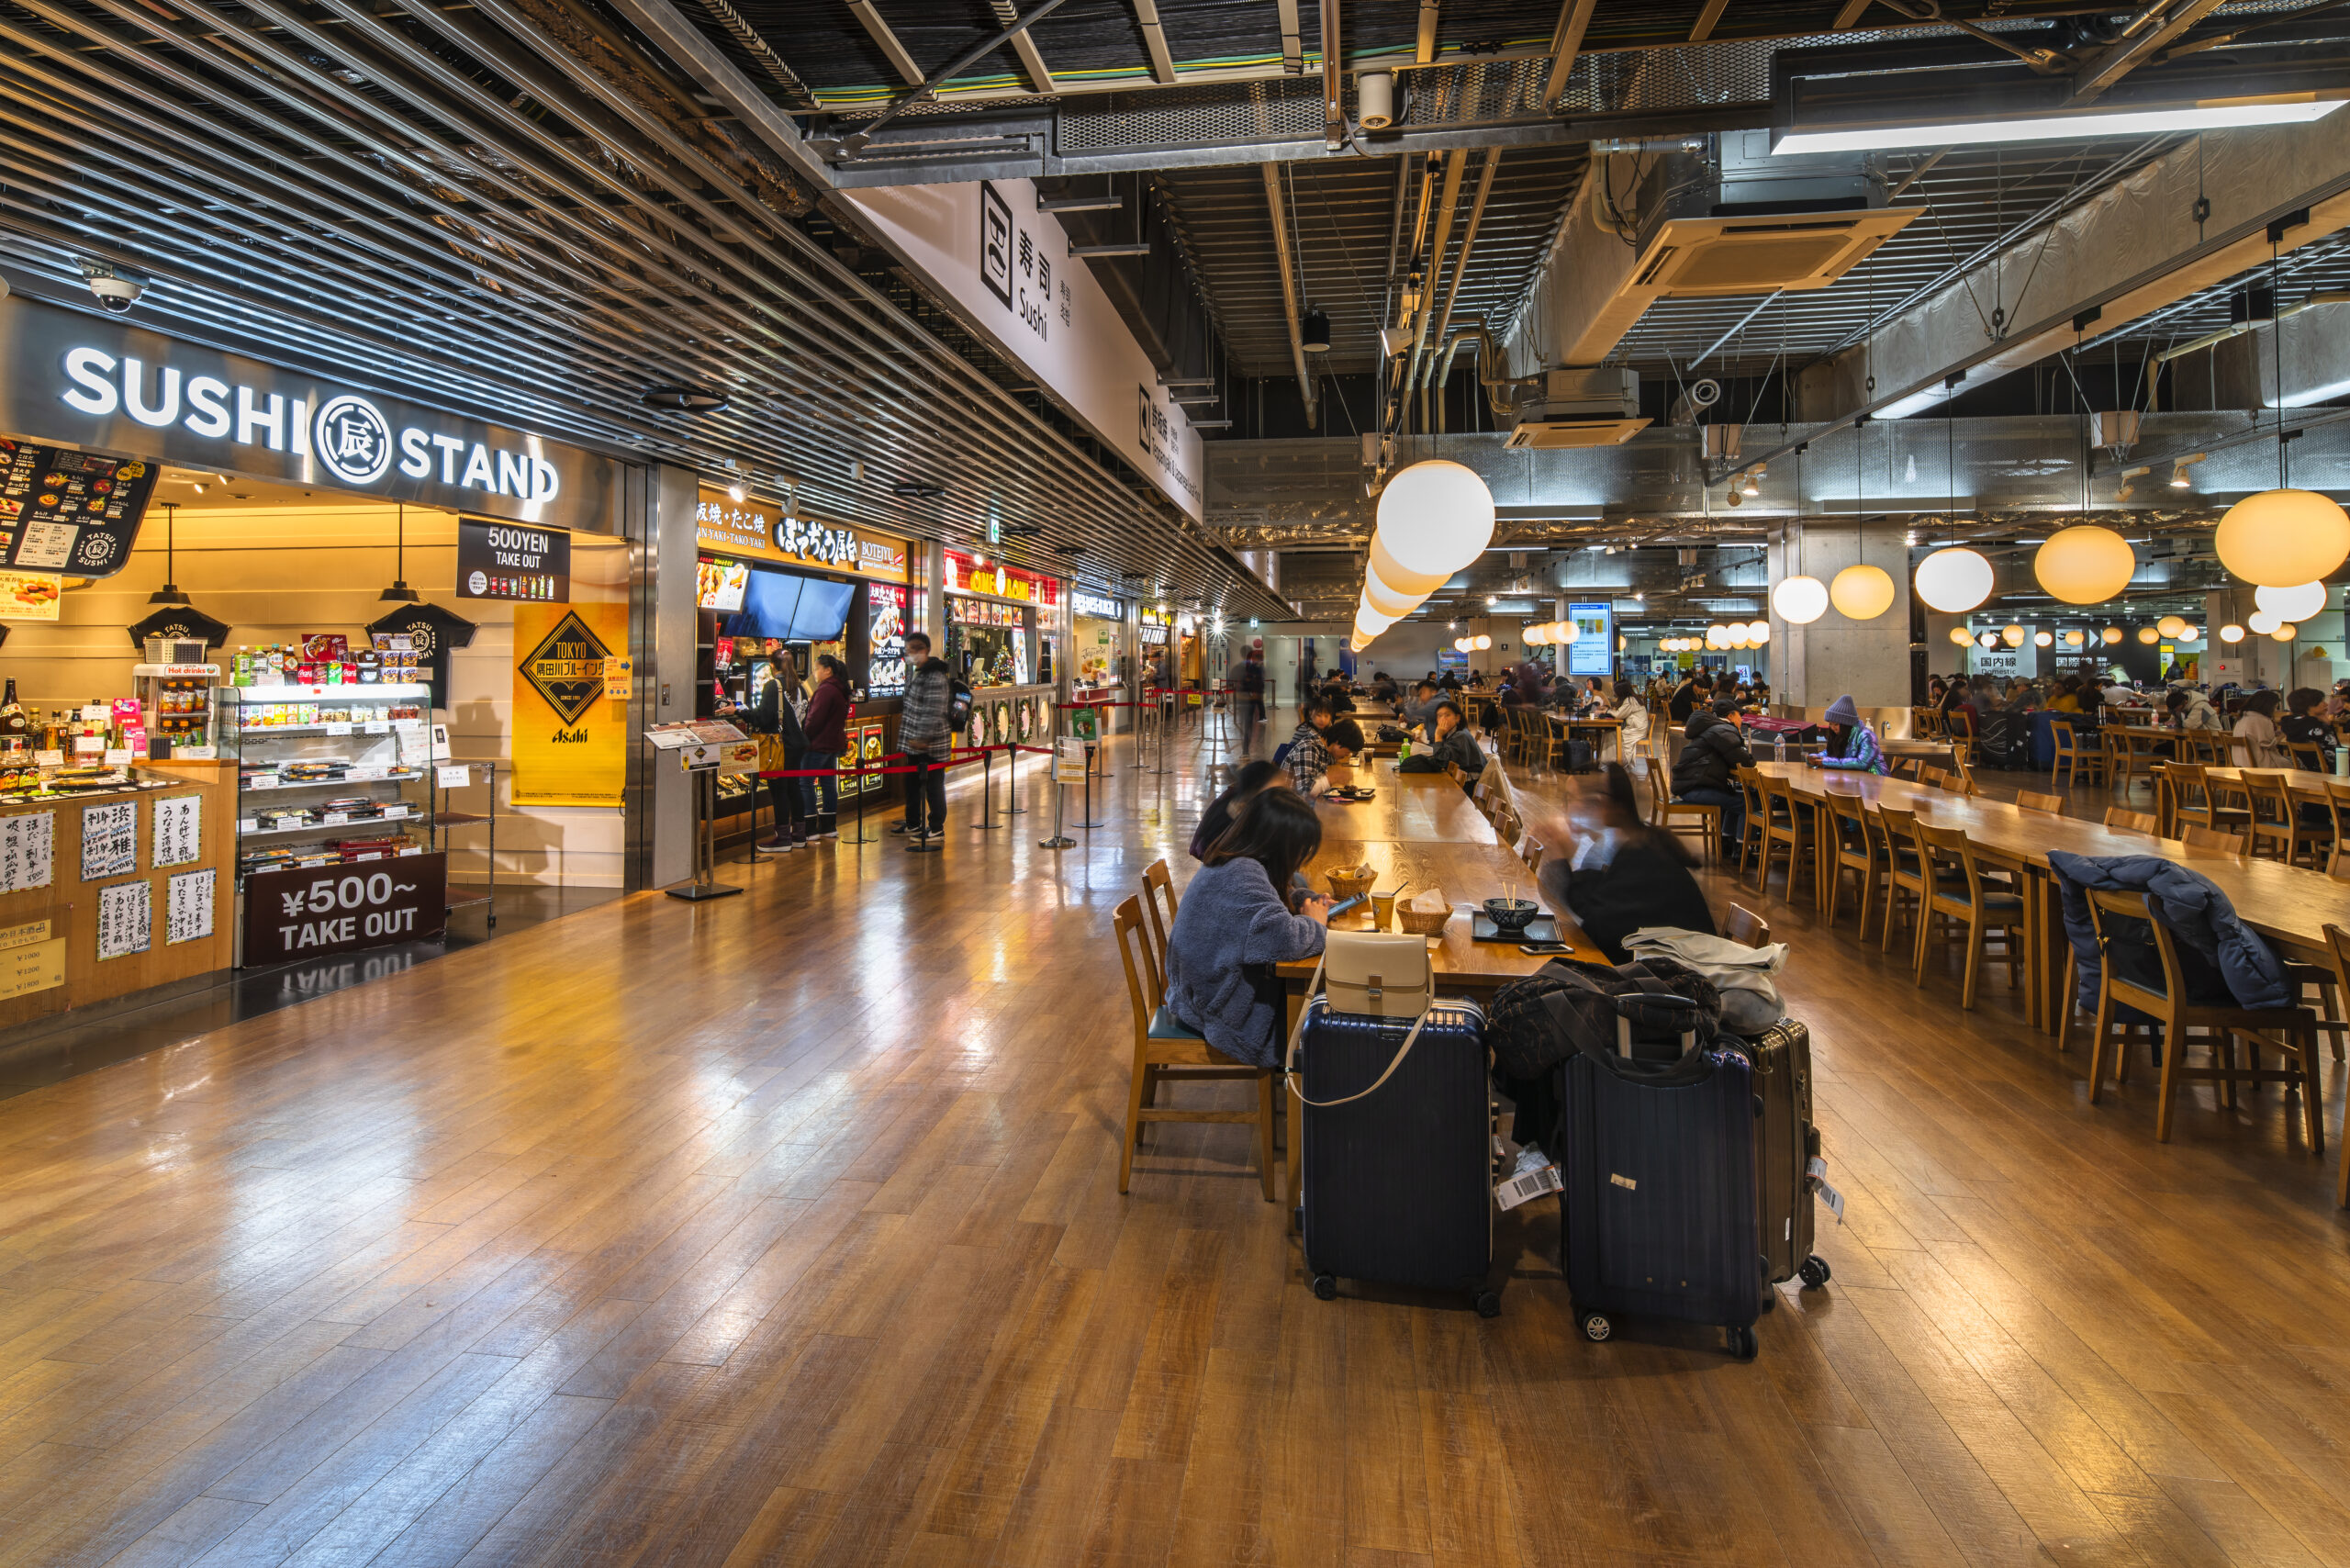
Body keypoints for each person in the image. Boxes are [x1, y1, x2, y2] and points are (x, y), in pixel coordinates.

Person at [1165, 790, 1334, 1070]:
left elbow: (1260, 906)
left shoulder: (1235, 860)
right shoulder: (1242, 874)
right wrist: (1315, 924)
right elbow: (1286, 940)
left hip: (1199, 991)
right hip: (1214, 1008)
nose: (1301, 860)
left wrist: (1302, 901)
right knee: (1325, 1014)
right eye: (1299, 850)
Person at [736, 654, 808, 853]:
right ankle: (799, 835)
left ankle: (783, 837)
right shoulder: (801, 687)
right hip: (798, 744)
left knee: (779, 789)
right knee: (794, 787)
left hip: (780, 745)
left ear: (771, 666)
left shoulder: (773, 686)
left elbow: (763, 717)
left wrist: (739, 711)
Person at [1671, 697, 1753, 856]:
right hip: (1696, 787)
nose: (1741, 720)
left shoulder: (1712, 728)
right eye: (1739, 715)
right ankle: (1743, 852)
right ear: (1730, 716)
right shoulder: (1723, 731)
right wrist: (1751, 758)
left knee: (1735, 798)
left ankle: (1728, 844)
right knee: (1746, 803)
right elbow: (1744, 762)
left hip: (1689, 785)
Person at [897, 631, 954, 849]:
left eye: (913, 650)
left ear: (925, 650)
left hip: (931, 745)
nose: (909, 654)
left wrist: (923, 738)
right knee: (912, 785)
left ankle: (936, 827)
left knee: (933, 787)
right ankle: (913, 824)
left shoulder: (935, 676)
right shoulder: (917, 672)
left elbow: (933, 710)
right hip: (914, 743)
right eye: (908, 650)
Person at [1191, 759, 1288, 860]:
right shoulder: (1229, 819)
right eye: (1274, 792)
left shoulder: (1246, 808)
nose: (1280, 797)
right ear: (1253, 791)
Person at [800, 653, 851, 841]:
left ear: (827, 670)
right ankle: (829, 826)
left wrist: (805, 737)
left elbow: (815, 719)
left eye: (817, 669)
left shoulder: (826, 689)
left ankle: (809, 827)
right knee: (828, 783)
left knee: (805, 782)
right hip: (833, 743)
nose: (815, 673)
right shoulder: (840, 688)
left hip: (818, 744)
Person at [1813, 693, 1888, 775]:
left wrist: (1826, 762)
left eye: (1836, 724)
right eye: (1830, 724)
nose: (1833, 728)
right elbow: (1830, 752)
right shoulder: (1841, 735)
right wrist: (1815, 757)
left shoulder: (1866, 736)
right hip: (1855, 779)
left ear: (1846, 724)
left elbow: (1862, 763)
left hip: (1875, 780)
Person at [1281, 697, 1335, 791]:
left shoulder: (1321, 729)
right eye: (1319, 715)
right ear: (1311, 713)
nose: (1322, 720)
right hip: (1294, 775)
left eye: (1326, 716)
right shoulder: (1308, 730)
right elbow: (1326, 757)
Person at [2282, 687, 2338, 770]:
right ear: (2309, 705)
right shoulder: (2318, 726)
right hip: (2325, 773)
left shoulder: (2289, 722)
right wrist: (2328, 726)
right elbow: (2336, 753)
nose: (2326, 704)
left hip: (2302, 772)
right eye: (2321, 701)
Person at [2233, 688, 2289, 768]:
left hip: (2242, 763)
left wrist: (2274, 734)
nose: (2275, 710)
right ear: (2268, 706)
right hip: (2261, 764)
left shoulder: (2242, 718)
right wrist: (2282, 735)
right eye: (2275, 707)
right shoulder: (2262, 720)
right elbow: (2268, 744)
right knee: (2298, 762)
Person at [1610, 679, 1650, 765]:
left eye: (1615, 690)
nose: (1614, 692)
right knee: (1611, 734)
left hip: (1636, 730)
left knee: (1620, 736)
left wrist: (1607, 711)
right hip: (1636, 727)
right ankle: (1616, 761)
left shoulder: (1630, 701)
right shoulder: (1631, 698)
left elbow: (1618, 714)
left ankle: (1624, 764)